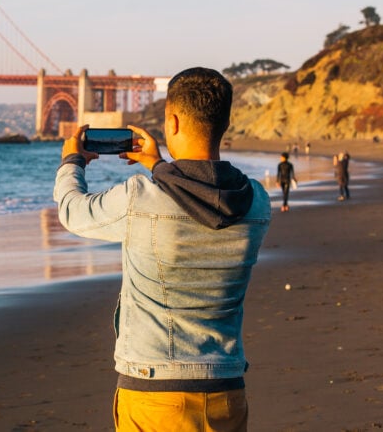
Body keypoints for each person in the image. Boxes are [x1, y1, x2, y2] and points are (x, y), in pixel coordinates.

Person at [53, 68, 271, 432]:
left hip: (154, 392)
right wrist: (158, 165)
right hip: (226, 391)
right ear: (225, 122)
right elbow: (205, 197)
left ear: (171, 121)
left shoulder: (140, 197)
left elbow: (72, 211)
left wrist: (71, 162)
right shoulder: (256, 202)